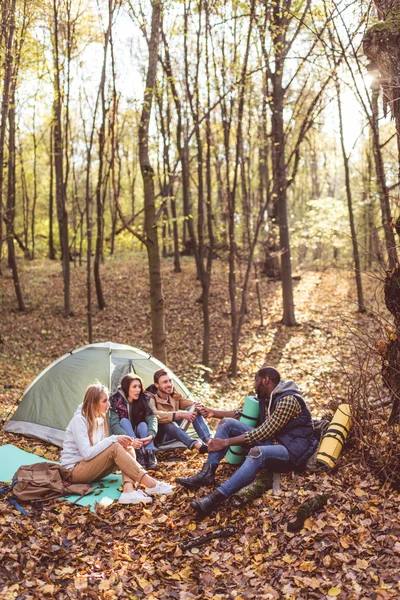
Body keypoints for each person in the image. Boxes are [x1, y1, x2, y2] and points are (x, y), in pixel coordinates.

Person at [176, 367, 317, 518]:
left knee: (257, 452)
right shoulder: (267, 397)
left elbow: (264, 431)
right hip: (276, 442)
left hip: (293, 449)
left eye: (256, 381)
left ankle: (215, 498)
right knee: (227, 423)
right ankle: (207, 473)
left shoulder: (288, 400)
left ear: (265, 380)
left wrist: (225, 443)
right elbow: (242, 413)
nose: (254, 385)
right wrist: (214, 413)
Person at [60, 384, 174, 504]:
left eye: (108, 400)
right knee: (114, 447)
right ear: (93, 403)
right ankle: (151, 484)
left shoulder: (99, 417)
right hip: (73, 472)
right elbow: (87, 454)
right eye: (104, 401)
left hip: (88, 468)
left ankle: (128, 491)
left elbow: (100, 448)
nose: (108, 404)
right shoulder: (79, 420)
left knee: (127, 448)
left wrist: (120, 442)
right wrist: (113, 439)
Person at [147, 369, 211, 453]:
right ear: (157, 385)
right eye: (165, 382)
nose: (169, 384)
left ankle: (209, 441)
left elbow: (185, 402)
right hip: (160, 437)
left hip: (176, 433)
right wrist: (180, 414)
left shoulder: (173, 394)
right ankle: (195, 444)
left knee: (193, 408)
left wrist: (199, 407)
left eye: (170, 381)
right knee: (166, 422)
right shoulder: (150, 397)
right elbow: (155, 415)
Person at [109, 374, 158, 470]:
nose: (138, 390)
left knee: (143, 425)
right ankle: (138, 454)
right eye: (134, 387)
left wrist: (151, 435)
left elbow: (152, 417)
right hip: (126, 436)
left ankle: (150, 454)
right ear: (127, 388)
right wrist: (131, 441)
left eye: (139, 386)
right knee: (124, 421)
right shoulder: (115, 400)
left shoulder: (143, 398)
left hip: (141, 436)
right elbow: (115, 425)